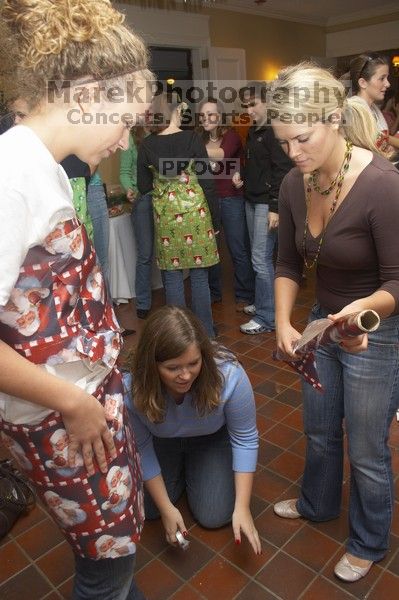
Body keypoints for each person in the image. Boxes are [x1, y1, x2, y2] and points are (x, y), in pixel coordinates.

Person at [0, 1, 153, 598]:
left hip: (82, 403)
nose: (123, 138)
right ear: (92, 94)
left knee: (115, 549)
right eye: (126, 120)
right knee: (105, 565)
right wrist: (74, 401)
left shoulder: (48, 169)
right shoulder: (12, 177)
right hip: (60, 411)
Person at [269, 62, 399, 583]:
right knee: (320, 430)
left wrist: (361, 313)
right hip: (324, 324)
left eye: (301, 139)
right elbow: (286, 263)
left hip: (376, 328)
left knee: (366, 445)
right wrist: (283, 321)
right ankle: (317, 504)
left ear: (333, 120)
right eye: (283, 143)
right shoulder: (293, 182)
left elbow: (396, 281)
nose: (293, 153)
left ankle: (369, 539)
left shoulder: (383, 186)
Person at [124, 305, 261, 554]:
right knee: (152, 510)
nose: (185, 375)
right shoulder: (132, 387)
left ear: (203, 356)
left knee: (214, 516)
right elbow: (140, 446)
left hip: (210, 438)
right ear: (152, 365)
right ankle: (184, 472)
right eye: (173, 368)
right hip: (161, 440)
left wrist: (243, 506)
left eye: (193, 363)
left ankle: (197, 468)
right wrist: (166, 507)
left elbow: (245, 438)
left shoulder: (229, 374)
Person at [137, 92, 220, 338]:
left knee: (172, 278)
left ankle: (178, 336)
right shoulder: (192, 138)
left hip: (166, 218)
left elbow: (143, 187)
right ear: (176, 112)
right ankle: (206, 333)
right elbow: (207, 181)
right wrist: (216, 220)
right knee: (198, 276)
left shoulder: (147, 145)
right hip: (197, 214)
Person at [233, 81, 293, 335]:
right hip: (251, 198)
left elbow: (282, 170)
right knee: (256, 256)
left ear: (267, 102)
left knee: (261, 259)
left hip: (265, 204)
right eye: (245, 105)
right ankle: (262, 303)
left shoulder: (273, 131)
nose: (249, 110)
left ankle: (268, 317)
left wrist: (275, 207)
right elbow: (258, 164)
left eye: (253, 104)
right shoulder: (253, 130)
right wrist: (242, 174)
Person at [198, 97, 255, 310]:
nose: (206, 119)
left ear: (220, 116)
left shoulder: (230, 136)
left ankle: (245, 295)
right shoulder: (200, 139)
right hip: (208, 199)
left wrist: (191, 150)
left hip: (231, 198)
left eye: (211, 114)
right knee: (210, 248)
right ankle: (214, 293)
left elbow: (221, 156)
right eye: (202, 115)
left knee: (237, 248)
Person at [120, 127, 153, 319]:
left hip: (163, 199)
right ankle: (143, 302)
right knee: (145, 253)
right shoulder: (131, 138)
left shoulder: (161, 134)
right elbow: (124, 172)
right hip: (141, 200)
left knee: (166, 252)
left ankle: (172, 300)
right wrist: (129, 189)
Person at [346, 53, 399, 151]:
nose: (388, 84)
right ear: (363, 83)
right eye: (382, 78)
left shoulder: (373, 109)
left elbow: (382, 147)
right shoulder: (353, 110)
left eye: (387, 78)